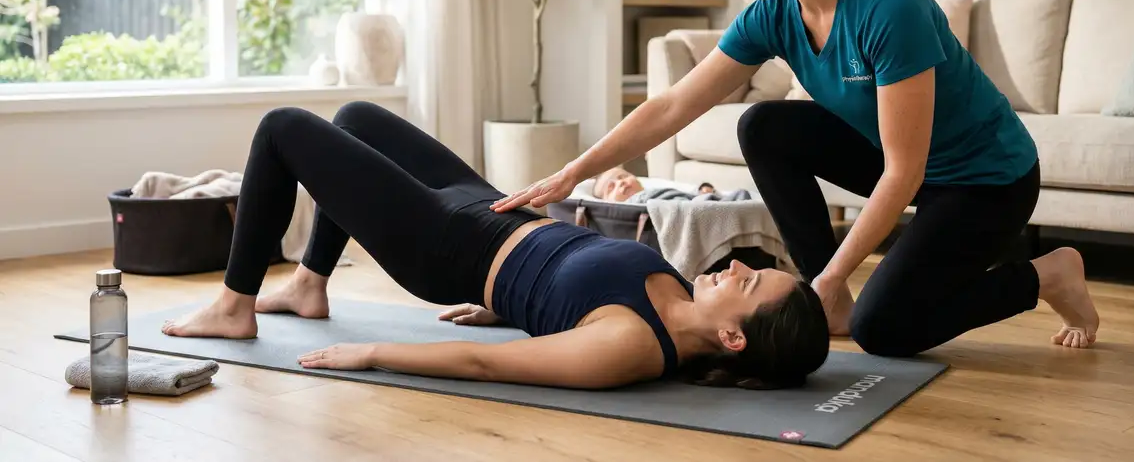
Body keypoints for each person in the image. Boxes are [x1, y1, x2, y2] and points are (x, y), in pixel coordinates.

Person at [491, 0, 1100, 356]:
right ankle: (826, 295)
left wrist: (834, 281)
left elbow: (905, 168)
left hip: (985, 181)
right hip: (905, 166)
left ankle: (1047, 274)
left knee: (883, 330)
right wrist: (573, 172)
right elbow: (674, 105)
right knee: (763, 125)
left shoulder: (891, 9)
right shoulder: (776, 14)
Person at [159, 101, 830, 390]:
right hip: (490, 206)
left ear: (735, 339)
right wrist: (519, 306)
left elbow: (488, 365)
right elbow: (570, 298)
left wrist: (372, 352)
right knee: (354, 120)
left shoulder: (632, 346)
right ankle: (309, 282)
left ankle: (233, 302)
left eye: (747, 283)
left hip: (446, 245)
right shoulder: (681, 294)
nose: (738, 265)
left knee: (283, 129)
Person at [594, 166, 750, 203]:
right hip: (683, 208)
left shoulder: (652, 191)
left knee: (740, 194)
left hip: (688, 202)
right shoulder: (634, 203)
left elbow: (679, 193)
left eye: (623, 176)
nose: (620, 183)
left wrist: (701, 191)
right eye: (611, 187)